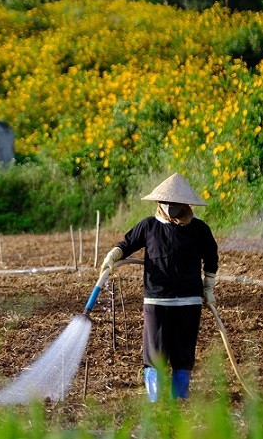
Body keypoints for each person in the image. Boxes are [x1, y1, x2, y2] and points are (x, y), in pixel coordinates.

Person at [99, 172, 218, 402]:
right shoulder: (149, 226)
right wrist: (112, 256)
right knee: (154, 351)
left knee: (183, 351)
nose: (171, 207)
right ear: (159, 203)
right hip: (157, 301)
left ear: (185, 204)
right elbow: (127, 243)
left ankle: (179, 399)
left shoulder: (199, 229)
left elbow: (211, 257)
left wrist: (208, 286)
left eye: (176, 203)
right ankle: (156, 400)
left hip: (188, 302)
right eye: (167, 202)